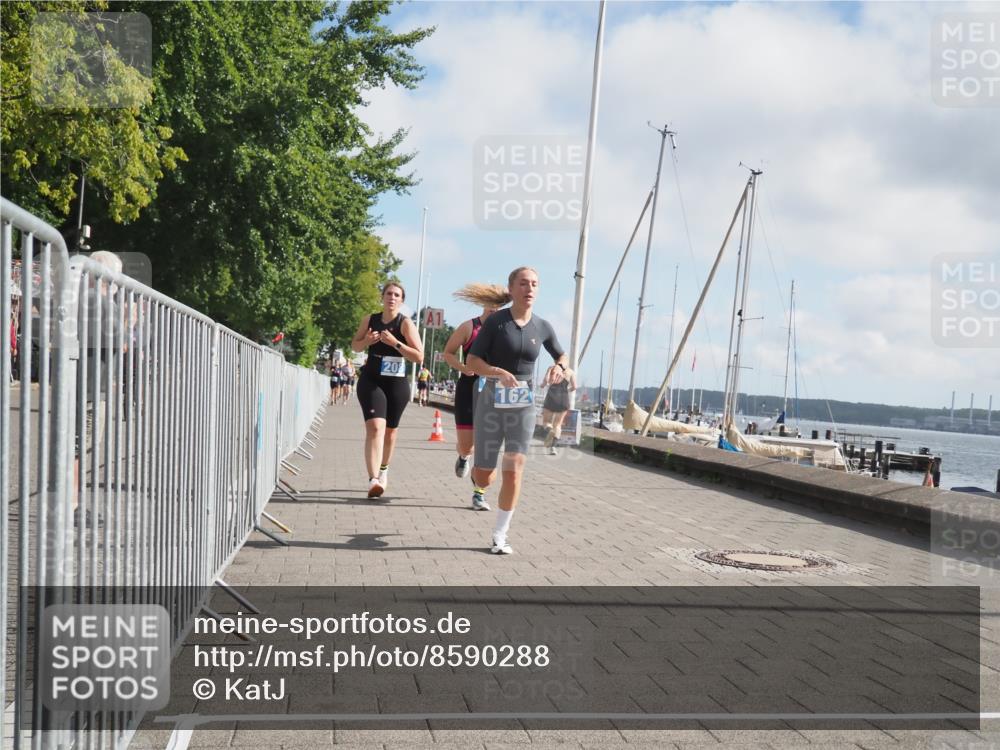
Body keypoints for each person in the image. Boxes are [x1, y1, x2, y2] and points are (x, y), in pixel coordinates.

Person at [460, 267, 573, 554]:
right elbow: (472, 361)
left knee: (514, 468)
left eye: (534, 283)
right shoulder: (496, 322)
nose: (530, 288)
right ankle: (478, 474)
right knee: (485, 475)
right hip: (490, 402)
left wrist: (558, 367)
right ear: (512, 289)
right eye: (523, 283)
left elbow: (562, 354)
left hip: (522, 406)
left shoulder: (542, 326)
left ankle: (500, 535)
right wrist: (497, 371)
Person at [351, 282, 423, 498]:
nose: (392, 297)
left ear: (401, 301)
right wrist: (366, 341)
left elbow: (419, 357)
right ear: (382, 297)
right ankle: (373, 479)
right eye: (389, 294)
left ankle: (383, 470)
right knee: (375, 428)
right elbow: (354, 346)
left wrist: (396, 344)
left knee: (390, 433)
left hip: (396, 383)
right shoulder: (370, 320)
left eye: (397, 295)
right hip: (371, 378)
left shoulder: (405, 323)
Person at [442, 301, 501, 498]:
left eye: (498, 304)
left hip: (493, 391)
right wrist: (462, 367)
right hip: (469, 388)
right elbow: (448, 352)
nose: (494, 308)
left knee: (485, 446)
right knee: (468, 445)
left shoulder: (504, 329)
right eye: (490, 303)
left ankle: (479, 492)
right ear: (482, 303)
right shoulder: (469, 327)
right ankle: (463, 455)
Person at [540, 375, 576, 456]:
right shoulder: (570, 372)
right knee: (558, 425)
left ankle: (550, 431)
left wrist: (543, 384)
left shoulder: (552, 368)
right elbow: (574, 387)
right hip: (563, 399)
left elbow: (545, 381)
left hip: (551, 397)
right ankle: (553, 448)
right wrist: (566, 390)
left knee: (546, 422)